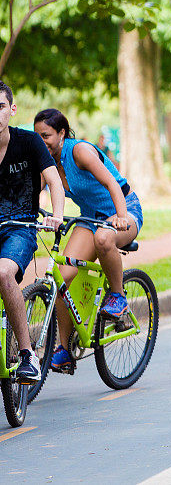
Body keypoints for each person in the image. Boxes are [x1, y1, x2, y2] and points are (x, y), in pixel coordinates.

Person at [33, 108, 143, 372]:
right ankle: (64, 350)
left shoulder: (79, 151)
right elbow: (36, 193)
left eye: (46, 135)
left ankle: (118, 298)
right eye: (37, 136)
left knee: (105, 238)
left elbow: (112, 184)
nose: (41, 141)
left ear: (61, 133)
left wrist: (120, 216)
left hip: (123, 210)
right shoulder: (46, 163)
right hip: (90, 217)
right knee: (61, 279)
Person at [0, 82, 64, 383]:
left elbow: (53, 181)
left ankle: (27, 356)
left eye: (1, 107)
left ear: (12, 110)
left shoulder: (29, 142)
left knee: (3, 274)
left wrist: (58, 215)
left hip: (21, 228)